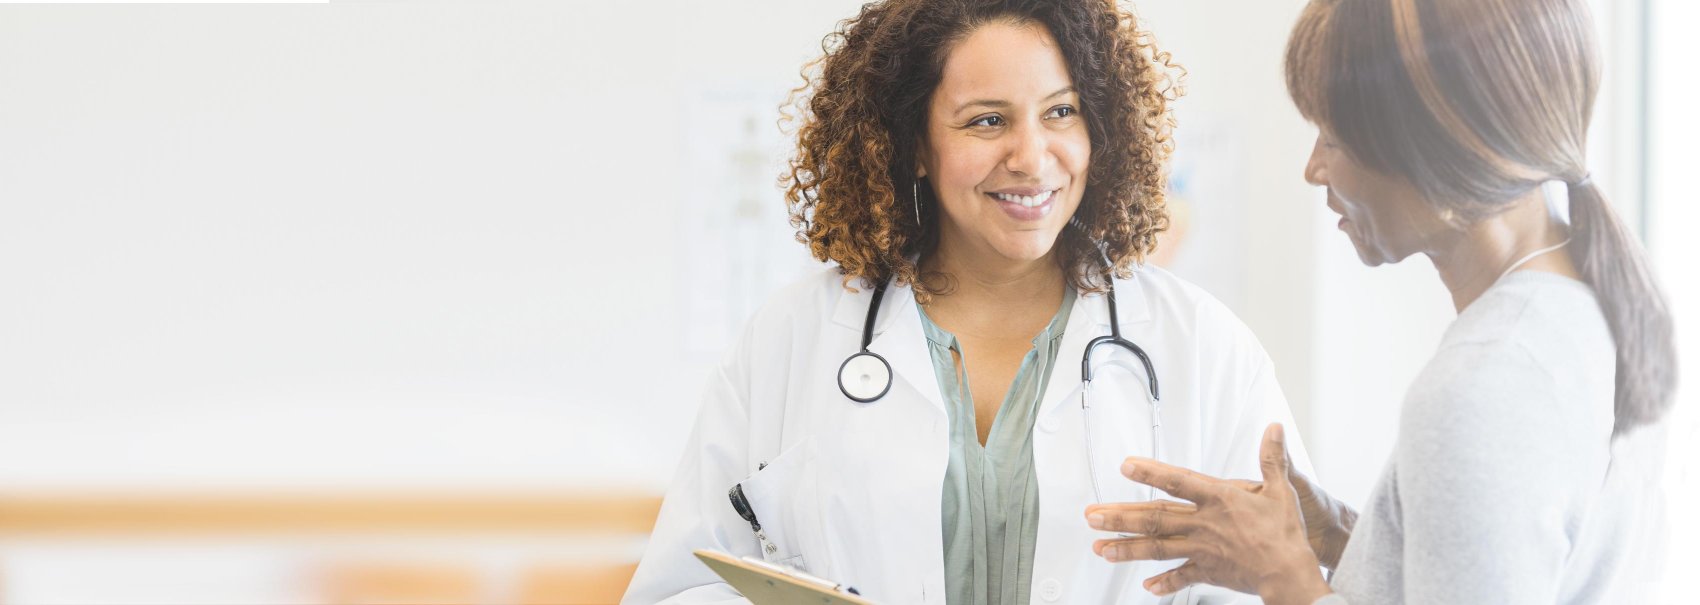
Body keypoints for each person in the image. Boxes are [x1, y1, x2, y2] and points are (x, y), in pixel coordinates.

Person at [622, 0, 1316, 603]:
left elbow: (1282, 578)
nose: (1032, 156)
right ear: (915, 144)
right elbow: (682, 585)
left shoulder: (1202, 348)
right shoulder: (792, 338)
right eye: (987, 121)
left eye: (1062, 112)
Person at [1086, 0, 1677, 603]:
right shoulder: (1586, 307)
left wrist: (1281, 575)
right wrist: (1342, 534)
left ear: (1436, 148)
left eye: (1333, 138)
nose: (1314, 169)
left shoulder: (1483, 387)